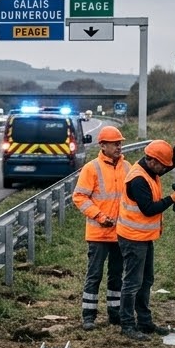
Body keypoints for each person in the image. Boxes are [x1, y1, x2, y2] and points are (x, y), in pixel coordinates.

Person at [115, 128, 175, 341]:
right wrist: (172, 199)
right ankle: (127, 324)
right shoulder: (138, 179)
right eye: (162, 166)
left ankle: (145, 322)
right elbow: (148, 208)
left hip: (143, 237)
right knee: (132, 283)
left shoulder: (150, 168)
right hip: (132, 237)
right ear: (153, 161)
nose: (165, 169)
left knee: (146, 280)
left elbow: (170, 162)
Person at [71, 125, 128, 330]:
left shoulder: (127, 167)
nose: (119, 146)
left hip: (120, 233)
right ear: (103, 145)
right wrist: (100, 216)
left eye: (120, 143)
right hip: (98, 233)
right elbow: (79, 196)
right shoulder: (91, 168)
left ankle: (115, 314)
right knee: (94, 275)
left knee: (116, 275)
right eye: (115, 143)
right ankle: (89, 316)